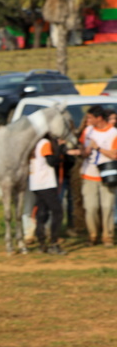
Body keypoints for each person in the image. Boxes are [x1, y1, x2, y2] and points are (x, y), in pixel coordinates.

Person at [68, 105, 117, 246]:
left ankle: (107, 236)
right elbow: (83, 150)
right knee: (91, 207)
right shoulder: (88, 131)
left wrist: (98, 148)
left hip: (108, 175)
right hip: (89, 174)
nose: (87, 120)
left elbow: (114, 155)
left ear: (99, 118)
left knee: (107, 206)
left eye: (90, 117)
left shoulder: (113, 133)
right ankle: (93, 235)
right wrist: (83, 152)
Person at [29, 133, 66, 255]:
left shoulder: (32, 143)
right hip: (46, 183)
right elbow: (51, 161)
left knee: (42, 212)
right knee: (57, 211)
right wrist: (60, 149)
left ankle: (42, 244)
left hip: (35, 183)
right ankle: (54, 244)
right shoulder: (44, 143)